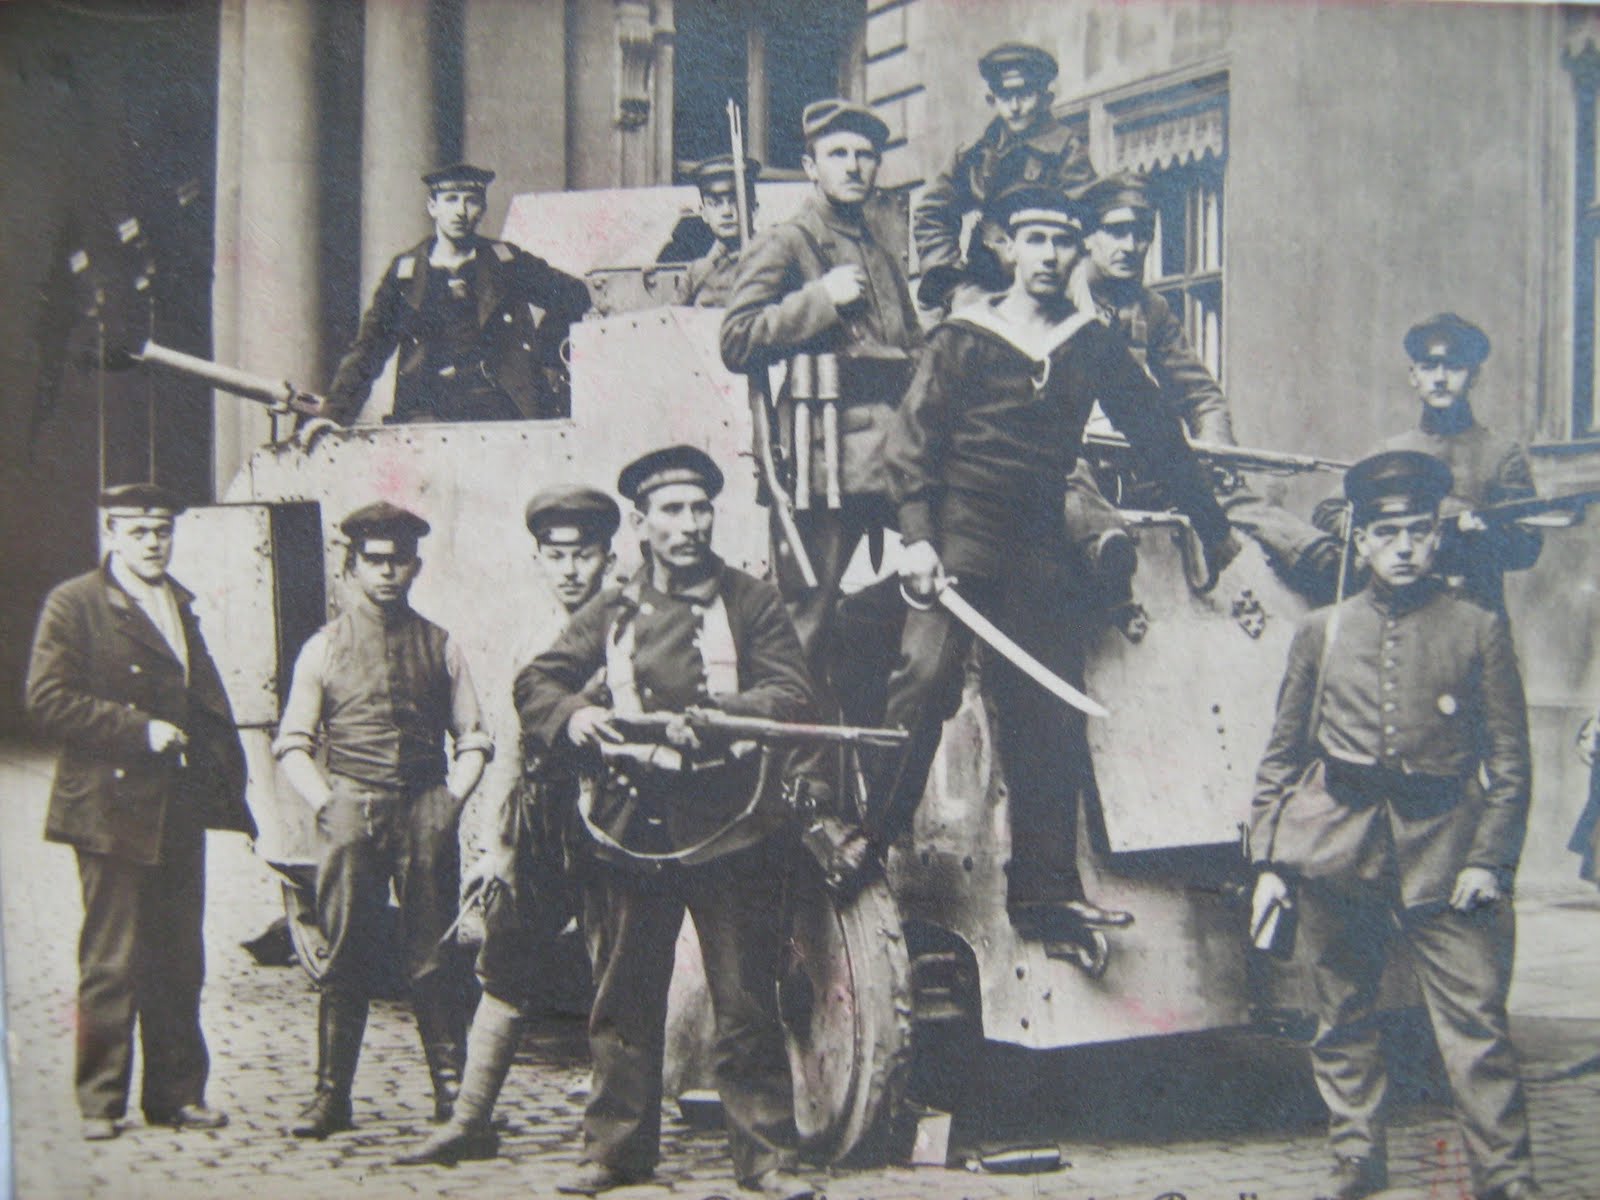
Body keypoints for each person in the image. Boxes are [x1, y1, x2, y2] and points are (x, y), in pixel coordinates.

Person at [879, 181, 1237, 969]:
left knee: (1050, 709)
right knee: (926, 677)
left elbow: (1159, 434)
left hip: (1038, 543)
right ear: (1006, 247)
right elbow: (910, 447)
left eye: (1062, 240)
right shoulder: (962, 338)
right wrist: (918, 539)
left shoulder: (1092, 342)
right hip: (959, 537)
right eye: (1033, 239)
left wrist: (1212, 526)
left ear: (1078, 252)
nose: (1048, 255)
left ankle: (1044, 892)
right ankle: (868, 840)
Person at [517, 446, 817, 1199]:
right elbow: (538, 680)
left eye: (700, 508)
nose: (689, 525)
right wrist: (574, 714)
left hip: (729, 826)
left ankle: (766, 1159)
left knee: (745, 1000)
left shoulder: (751, 600)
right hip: (634, 826)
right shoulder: (614, 607)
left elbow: (791, 691)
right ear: (642, 523)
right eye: (672, 511)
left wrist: (719, 716)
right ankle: (615, 1152)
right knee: (623, 1000)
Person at [1249, 451, 1540, 1200]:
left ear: (1437, 536)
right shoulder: (1322, 631)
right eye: (1387, 533)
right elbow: (1282, 756)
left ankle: (1506, 1178)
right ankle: (1356, 1161)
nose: (1404, 547)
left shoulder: (1478, 629)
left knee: (1475, 1028)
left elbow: (1510, 763)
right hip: (1336, 848)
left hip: (1446, 851)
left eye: (1418, 531)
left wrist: (1489, 861)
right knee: (1341, 1017)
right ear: (1362, 540)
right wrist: (1270, 864)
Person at [396, 485, 620, 1166]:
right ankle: (470, 1120)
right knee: (506, 962)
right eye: (557, 555)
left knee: (617, 967)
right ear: (537, 560)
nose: (571, 569)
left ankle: (615, 1131)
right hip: (541, 817)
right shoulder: (530, 637)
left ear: (609, 558)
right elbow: (512, 748)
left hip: (615, 815)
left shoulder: (629, 631)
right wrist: (496, 847)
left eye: (584, 554)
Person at [26, 483, 255, 1143]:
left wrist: (223, 779)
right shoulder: (75, 603)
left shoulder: (177, 601)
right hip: (111, 805)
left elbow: (201, 701)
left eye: (163, 530)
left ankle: (176, 1096)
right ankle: (101, 1101)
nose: (154, 543)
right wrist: (139, 730)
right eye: (139, 531)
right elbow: (47, 699)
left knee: (180, 957)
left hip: (176, 805)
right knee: (112, 960)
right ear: (111, 533)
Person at [720, 98, 921, 806]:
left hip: (895, 448)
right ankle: (798, 786)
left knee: (940, 578)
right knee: (803, 620)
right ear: (810, 166)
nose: (855, 166)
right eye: (839, 154)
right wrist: (821, 300)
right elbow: (736, 339)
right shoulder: (787, 242)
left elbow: (912, 349)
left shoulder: (883, 248)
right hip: (822, 454)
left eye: (865, 155)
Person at [275, 501, 494, 1139]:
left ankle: (452, 1094)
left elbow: (474, 737)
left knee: (435, 955)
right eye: (374, 561)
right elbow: (293, 742)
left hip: (424, 812)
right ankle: (330, 1097)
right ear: (352, 567)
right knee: (347, 953)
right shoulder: (323, 648)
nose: (387, 572)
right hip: (352, 813)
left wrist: (450, 800)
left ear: (416, 566)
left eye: (399, 560)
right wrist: (327, 803)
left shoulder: (441, 644)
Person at [1067, 172, 1340, 609]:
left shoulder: (1151, 310)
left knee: (1222, 494)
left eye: (1143, 233)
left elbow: (1201, 397)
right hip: (1083, 468)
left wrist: (1214, 453)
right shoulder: (1058, 297)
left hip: (1144, 462)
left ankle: (1318, 557)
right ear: (1087, 235)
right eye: (1116, 232)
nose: (1131, 246)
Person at [324, 163, 592, 425]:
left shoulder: (506, 262)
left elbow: (575, 294)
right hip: (426, 408)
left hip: (498, 405)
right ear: (433, 207)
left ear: (482, 208)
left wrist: (545, 358)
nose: (461, 211)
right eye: (450, 199)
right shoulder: (406, 273)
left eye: (471, 201)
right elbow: (369, 347)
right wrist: (334, 415)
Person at [912, 42, 1095, 312]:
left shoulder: (1066, 150)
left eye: (1025, 94)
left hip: (1048, 289)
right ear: (993, 99)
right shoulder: (976, 154)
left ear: (1045, 97)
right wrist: (954, 285)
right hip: (983, 287)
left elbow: (1087, 221)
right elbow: (931, 213)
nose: (1015, 106)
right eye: (1005, 96)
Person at [1380, 313, 1542, 611]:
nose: (1440, 378)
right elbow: (1331, 513)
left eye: (1454, 367)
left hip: (1478, 614)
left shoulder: (1502, 453)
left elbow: (1528, 547)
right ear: (1413, 376)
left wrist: (1481, 536)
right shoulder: (1392, 452)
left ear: (1474, 377)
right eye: (1429, 367)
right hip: (1406, 614)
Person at [657, 154, 763, 307]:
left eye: (736, 202)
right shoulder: (697, 271)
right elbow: (671, 315)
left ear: (754, 209)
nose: (726, 212)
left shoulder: (773, 261)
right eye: (715, 203)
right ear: (704, 214)